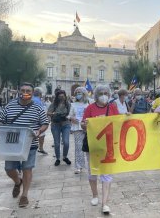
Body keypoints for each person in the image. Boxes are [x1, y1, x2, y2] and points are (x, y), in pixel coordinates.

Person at [0, 82, 49, 207]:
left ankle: (24, 195)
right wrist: (2, 128)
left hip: (30, 143)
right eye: (23, 90)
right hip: (11, 143)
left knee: (27, 168)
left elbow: (45, 123)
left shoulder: (38, 108)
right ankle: (17, 181)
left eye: (28, 91)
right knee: (9, 169)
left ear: (32, 93)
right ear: (19, 91)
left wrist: (39, 131)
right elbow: (0, 120)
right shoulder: (10, 106)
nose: (25, 93)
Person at [81, 85, 119, 214]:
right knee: (92, 172)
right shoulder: (90, 108)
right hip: (93, 146)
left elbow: (119, 123)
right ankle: (95, 195)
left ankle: (105, 203)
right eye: (101, 93)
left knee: (106, 174)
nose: (104, 95)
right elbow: (83, 126)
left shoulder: (113, 107)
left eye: (106, 93)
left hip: (108, 145)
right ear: (96, 95)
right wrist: (84, 124)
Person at [47, 90, 72, 166]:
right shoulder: (54, 104)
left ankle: (64, 157)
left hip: (66, 124)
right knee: (57, 143)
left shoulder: (68, 104)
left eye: (63, 95)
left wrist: (69, 116)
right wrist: (54, 113)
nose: (62, 97)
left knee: (66, 142)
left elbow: (71, 113)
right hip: (55, 125)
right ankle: (58, 158)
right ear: (57, 96)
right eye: (60, 96)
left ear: (65, 96)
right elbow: (48, 113)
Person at [69, 87, 89, 174]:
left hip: (88, 127)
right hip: (77, 127)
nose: (78, 95)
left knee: (90, 147)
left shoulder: (89, 104)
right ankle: (79, 166)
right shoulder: (73, 105)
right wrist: (71, 118)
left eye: (80, 93)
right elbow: (69, 115)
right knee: (78, 147)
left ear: (84, 94)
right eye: (76, 93)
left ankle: (90, 165)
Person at [33, 87, 47, 155]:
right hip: (38, 121)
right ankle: (40, 148)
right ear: (40, 94)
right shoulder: (38, 101)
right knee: (41, 134)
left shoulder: (32, 99)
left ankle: (39, 148)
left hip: (32, 120)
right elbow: (42, 112)